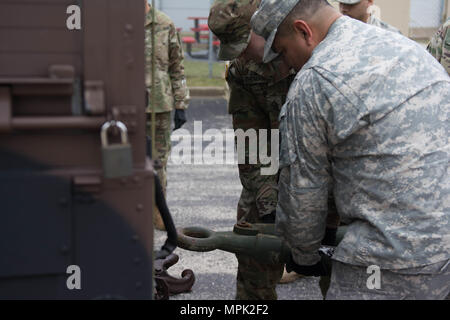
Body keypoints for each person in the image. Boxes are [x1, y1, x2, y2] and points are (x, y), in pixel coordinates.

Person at [251, 0, 450, 299]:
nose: (286, 64)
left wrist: (303, 256)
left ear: (304, 31)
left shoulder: (314, 80)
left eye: (282, 50)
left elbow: (304, 196)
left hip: (387, 265)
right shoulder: (405, 49)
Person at [208, 0, 295, 299]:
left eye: (245, 42)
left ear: (266, 27)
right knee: (251, 241)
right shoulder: (244, 69)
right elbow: (253, 144)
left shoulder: (315, 52)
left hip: (329, 174)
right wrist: (269, 205)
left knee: (342, 270)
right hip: (270, 169)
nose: (242, 52)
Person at [145, 1, 189, 230]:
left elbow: (176, 65)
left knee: (158, 162)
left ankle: (157, 214)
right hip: (125, 105)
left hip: (159, 105)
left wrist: (181, 103)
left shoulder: (164, 23)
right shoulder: (118, 25)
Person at [336, 0, 401, 34]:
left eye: (350, 4)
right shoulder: (334, 31)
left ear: (370, 1)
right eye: (341, 3)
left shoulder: (390, 34)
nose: (343, 9)